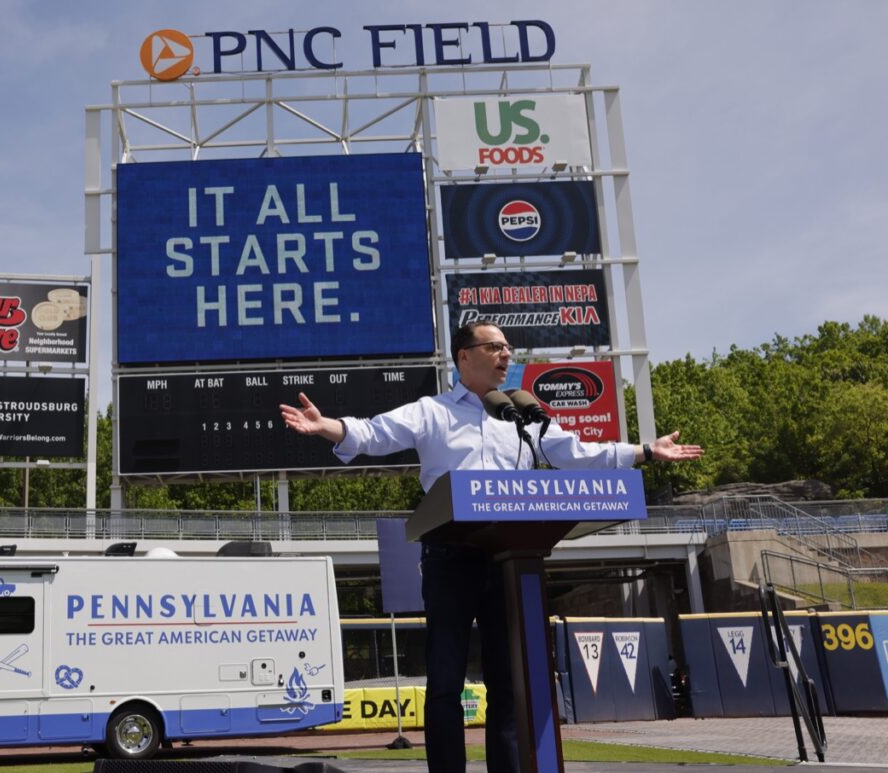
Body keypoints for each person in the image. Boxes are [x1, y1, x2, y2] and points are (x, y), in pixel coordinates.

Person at [279, 320, 702, 773]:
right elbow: (375, 433)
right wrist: (329, 427)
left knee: (508, 680)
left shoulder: (522, 417)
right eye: (495, 346)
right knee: (445, 680)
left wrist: (644, 451)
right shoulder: (432, 411)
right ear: (465, 356)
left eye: (508, 347)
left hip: (511, 559)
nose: (506, 355)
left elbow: (574, 451)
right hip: (450, 556)